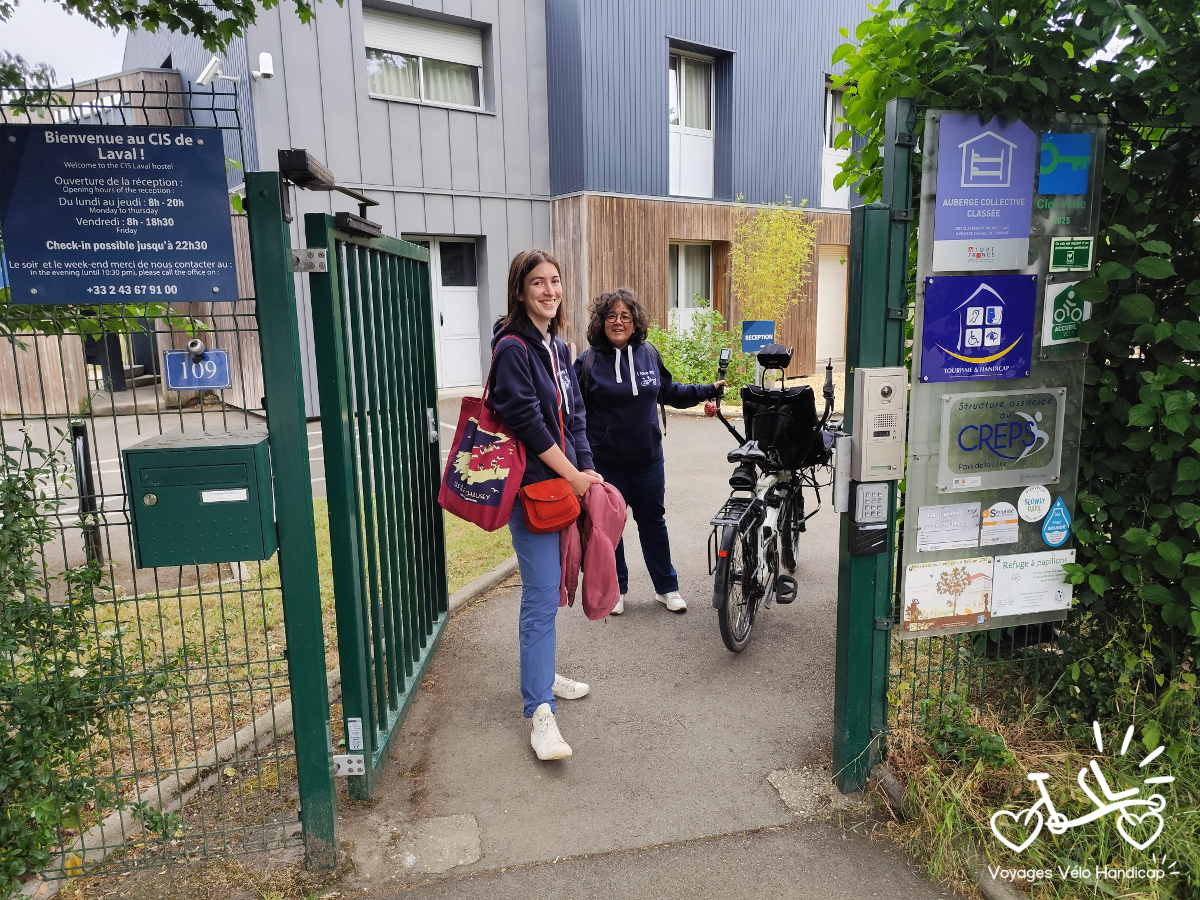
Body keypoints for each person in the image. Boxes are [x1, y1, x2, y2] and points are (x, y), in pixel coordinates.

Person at [488, 249, 603, 761]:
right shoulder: (513, 348)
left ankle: (543, 671)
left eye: (555, 282)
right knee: (539, 596)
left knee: (554, 585)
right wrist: (572, 474)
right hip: (534, 494)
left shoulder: (558, 349)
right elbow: (528, 424)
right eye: (538, 283)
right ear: (520, 291)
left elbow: (574, 416)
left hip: (563, 489)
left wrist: (587, 471)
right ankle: (538, 710)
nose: (550, 291)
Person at [574, 287, 724, 616]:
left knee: (653, 523)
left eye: (625, 316)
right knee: (610, 530)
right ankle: (616, 591)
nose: (618, 322)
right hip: (605, 467)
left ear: (634, 321)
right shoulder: (587, 363)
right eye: (611, 316)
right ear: (601, 322)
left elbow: (670, 391)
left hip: (648, 463)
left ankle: (667, 588)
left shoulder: (648, 354)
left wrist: (705, 390)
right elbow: (573, 414)